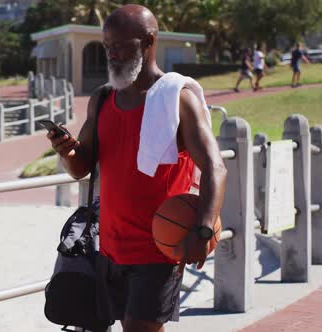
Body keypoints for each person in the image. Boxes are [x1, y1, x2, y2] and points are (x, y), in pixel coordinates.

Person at [46, 4, 227, 332]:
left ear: (149, 41)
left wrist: (202, 229)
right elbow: (80, 168)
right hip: (109, 247)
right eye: (106, 47)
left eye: (120, 46)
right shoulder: (102, 100)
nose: (111, 54)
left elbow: (215, 167)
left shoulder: (177, 99)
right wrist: (67, 150)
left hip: (160, 249)